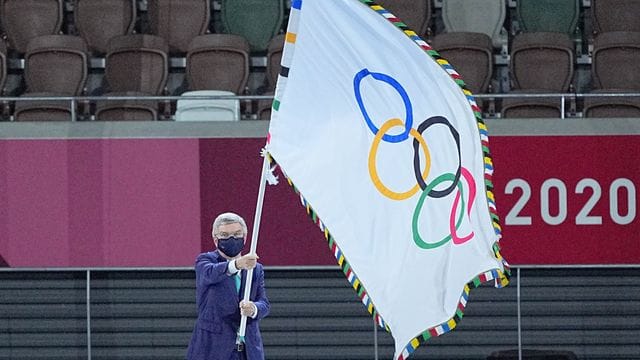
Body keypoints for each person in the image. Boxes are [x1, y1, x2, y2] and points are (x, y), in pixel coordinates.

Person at [186, 212, 270, 360]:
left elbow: (264, 303)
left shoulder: (255, 269)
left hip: (248, 350)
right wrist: (237, 264)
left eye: (237, 234)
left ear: (245, 237)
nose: (232, 239)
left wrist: (254, 309)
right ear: (215, 239)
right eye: (225, 235)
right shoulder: (206, 261)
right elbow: (209, 274)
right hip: (213, 349)